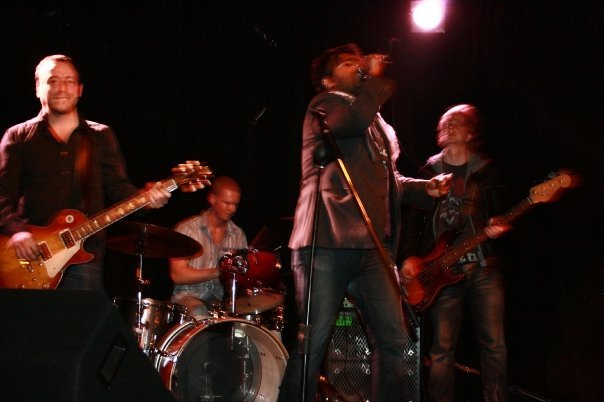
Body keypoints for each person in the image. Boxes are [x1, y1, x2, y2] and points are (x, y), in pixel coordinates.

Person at [279, 43, 453, 402]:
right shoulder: (325, 105)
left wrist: (426, 188)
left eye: (359, 62)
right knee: (313, 342)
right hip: (326, 241)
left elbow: (389, 183)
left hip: (372, 247)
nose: (359, 67)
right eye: (348, 64)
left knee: (393, 339)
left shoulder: (374, 122)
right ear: (328, 79)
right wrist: (374, 79)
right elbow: (350, 122)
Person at [0, 54, 171, 291]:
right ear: (38, 88)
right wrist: (17, 233)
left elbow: (120, 190)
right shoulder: (18, 136)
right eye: (52, 81)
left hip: (85, 255)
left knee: (79, 315)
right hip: (30, 255)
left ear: (80, 89)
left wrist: (149, 201)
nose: (61, 88)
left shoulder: (100, 136)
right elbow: (2, 196)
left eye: (69, 81)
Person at [400, 104, 510, 402]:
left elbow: (498, 213)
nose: (449, 125)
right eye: (444, 122)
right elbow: (411, 221)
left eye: (456, 121)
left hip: (482, 268)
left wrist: (498, 227)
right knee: (441, 350)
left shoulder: (485, 173)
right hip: (441, 272)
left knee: (494, 346)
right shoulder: (428, 172)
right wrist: (409, 256)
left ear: (470, 132)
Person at [169, 175, 247, 317]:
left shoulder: (238, 234)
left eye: (235, 204)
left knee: (245, 320)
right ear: (212, 199)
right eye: (227, 203)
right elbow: (177, 275)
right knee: (199, 311)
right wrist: (218, 271)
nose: (232, 209)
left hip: (221, 302)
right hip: (188, 297)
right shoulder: (188, 229)